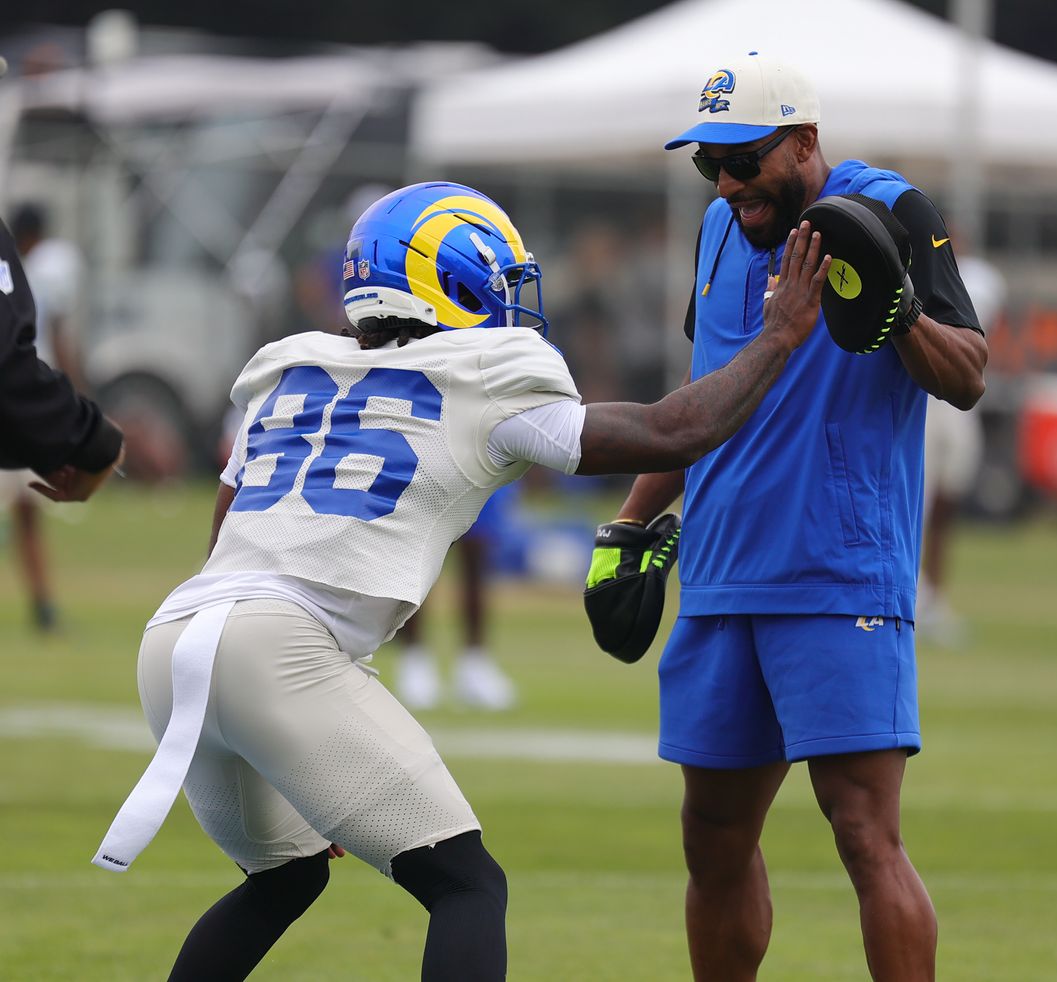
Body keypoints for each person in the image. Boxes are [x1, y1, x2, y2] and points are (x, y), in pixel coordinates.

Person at [91, 180, 831, 981]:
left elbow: (228, 524)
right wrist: (780, 336)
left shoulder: (289, 367)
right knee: (469, 887)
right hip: (281, 652)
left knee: (285, 877)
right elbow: (673, 431)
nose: (511, 300)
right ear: (449, 279)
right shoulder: (486, 373)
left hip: (177, 637)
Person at [607, 53, 987, 981]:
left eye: (745, 160)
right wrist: (627, 529)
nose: (729, 183)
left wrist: (898, 315)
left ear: (805, 142)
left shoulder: (890, 208)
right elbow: (705, 396)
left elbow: (971, 375)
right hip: (723, 572)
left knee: (864, 833)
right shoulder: (716, 229)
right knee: (713, 840)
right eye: (711, 165)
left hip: (837, 572)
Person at [0, 204, 86, 631]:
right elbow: (59, 337)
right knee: (26, 510)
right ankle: (44, 608)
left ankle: (43, 608)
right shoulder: (46, 275)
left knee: (24, 508)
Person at [918, 235, 1005, 646]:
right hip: (926, 399)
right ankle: (913, 596)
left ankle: (934, 596)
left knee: (947, 500)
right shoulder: (918, 270)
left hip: (961, 399)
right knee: (919, 499)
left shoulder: (982, 278)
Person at [0, 216, 123, 503]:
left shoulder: (37, 264)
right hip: (31, 389)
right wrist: (90, 437)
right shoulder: (55, 265)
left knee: (23, 510)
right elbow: (52, 338)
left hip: (31, 390)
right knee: (25, 507)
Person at [393, 483, 519, 711]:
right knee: (418, 554)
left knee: (476, 557)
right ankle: (415, 660)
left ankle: (474, 664)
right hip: (429, 462)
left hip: (484, 460)